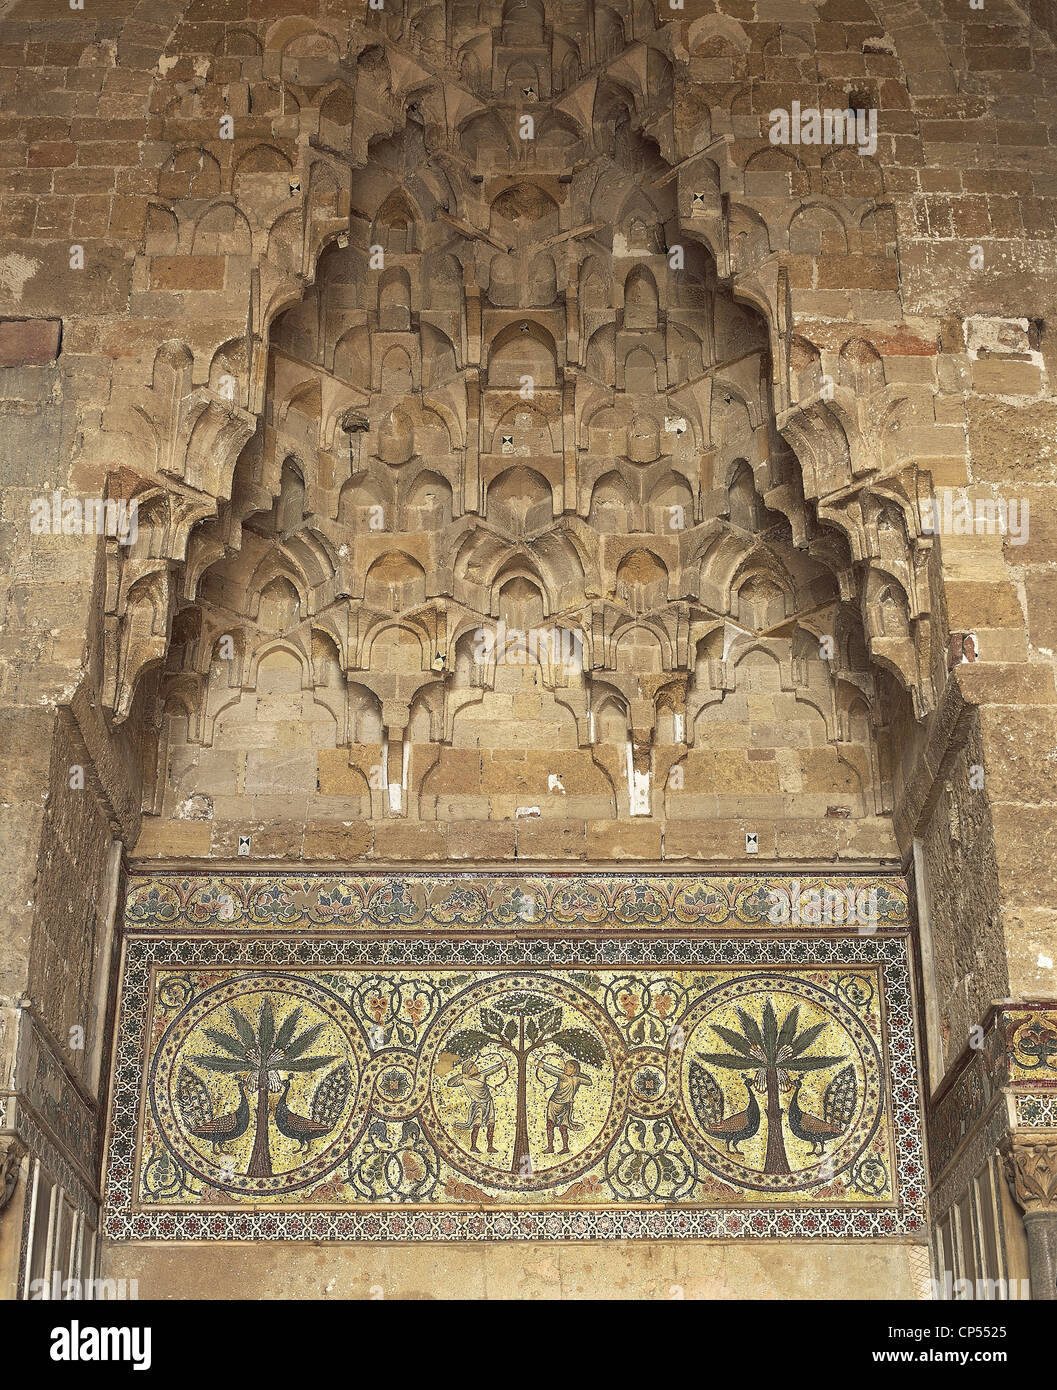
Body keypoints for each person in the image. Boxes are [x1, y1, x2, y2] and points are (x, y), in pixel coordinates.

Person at [446, 1055, 505, 1154]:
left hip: (488, 1102)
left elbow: (492, 1070)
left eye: (475, 1066)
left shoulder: (482, 1075)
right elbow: (450, 1083)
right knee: (476, 1125)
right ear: (468, 1070)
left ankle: (490, 1146)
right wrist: (461, 1075)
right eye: (473, 1067)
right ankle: (473, 1146)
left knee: (491, 1124)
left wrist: (501, 1065)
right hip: (477, 1105)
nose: (476, 1068)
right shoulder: (465, 1080)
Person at [538, 1055, 592, 1155]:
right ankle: (550, 1147)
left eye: (570, 1067)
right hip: (554, 1104)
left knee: (563, 1127)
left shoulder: (575, 1079)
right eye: (566, 1066)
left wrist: (543, 1066)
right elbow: (555, 1072)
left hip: (565, 1106)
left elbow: (589, 1082)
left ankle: (565, 1147)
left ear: (575, 1069)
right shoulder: (570, 1078)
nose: (566, 1068)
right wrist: (544, 1066)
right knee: (550, 1124)